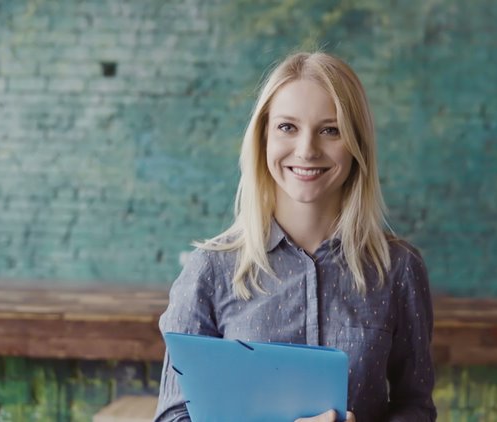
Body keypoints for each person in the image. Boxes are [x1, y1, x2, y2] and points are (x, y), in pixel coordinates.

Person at [154, 51, 436, 422]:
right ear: (263, 138)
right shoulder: (210, 270)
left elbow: (415, 406)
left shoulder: (398, 268)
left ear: (357, 144)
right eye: (288, 127)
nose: (306, 150)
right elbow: (174, 417)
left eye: (330, 130)